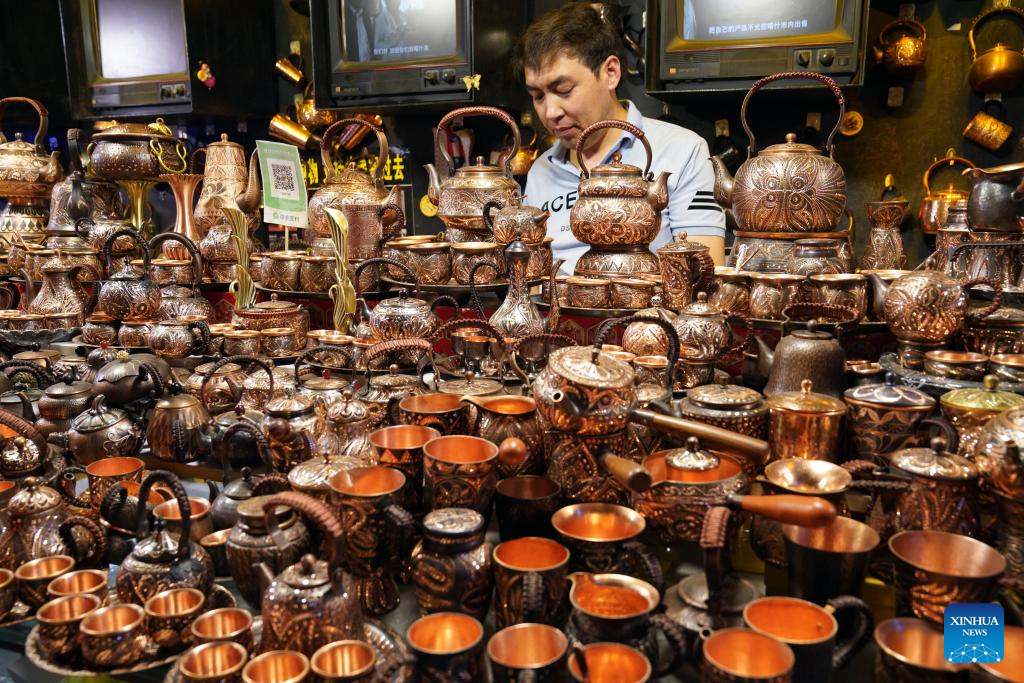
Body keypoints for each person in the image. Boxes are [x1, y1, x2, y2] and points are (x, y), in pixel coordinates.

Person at [514, 3, 726, 272]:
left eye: (564, 90)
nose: (550, 112)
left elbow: (704, 274)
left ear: (610, 73)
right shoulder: (541, 171)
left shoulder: (683, 151)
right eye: (538, 96)